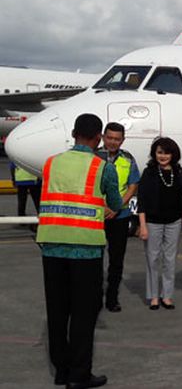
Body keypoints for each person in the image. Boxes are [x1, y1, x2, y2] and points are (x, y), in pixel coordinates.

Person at [36, 113, 122, 389]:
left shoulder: (50, 164)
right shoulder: (102, 167)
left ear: (73, 133)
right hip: (85, 247)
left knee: (57, 310)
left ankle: (61, 370)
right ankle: (79, 374)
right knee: (84, 314)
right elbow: (116, 201)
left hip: (51, 244)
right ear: (98, 137)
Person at [137, 137, 182, 310]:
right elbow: (142, 200)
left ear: (173, 154)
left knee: (170, 260)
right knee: (152, 259)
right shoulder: (149, 172)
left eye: (166, 152)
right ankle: (153, 296)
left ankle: (167, 296)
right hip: (153, 222)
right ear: (154, 154)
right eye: (159, 152)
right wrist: (143, 225)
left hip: (173, 222)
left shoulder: (180, 172)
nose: (163, 156)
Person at [96, 122, 140, 313]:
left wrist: (117, 205)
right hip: (96, 215)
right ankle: (95, 297)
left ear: (122, 140)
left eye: (117, 139)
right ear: (103, 137)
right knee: (94, 259)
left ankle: (112, 298)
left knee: (116, 260)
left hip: (120, 215)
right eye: (110, 138)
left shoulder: (128, 159)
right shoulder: (94, 157)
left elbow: (133, 185)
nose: (113, 142)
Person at [9, 161, 42, 231]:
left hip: (20, 181)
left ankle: (22, 221)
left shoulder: (16, 156)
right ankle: (42, 217)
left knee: (22, 202)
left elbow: (12, 168)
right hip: (34, 181)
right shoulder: (32, 157)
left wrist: (13, 180)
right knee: (37, 201)